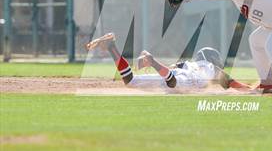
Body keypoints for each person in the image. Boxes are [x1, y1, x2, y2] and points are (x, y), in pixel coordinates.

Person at [86, 32, 251, 92]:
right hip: (187, 79)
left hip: (176, 74)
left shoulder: (188, 63)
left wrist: (146, 66)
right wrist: (253, 89)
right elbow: (235, 84)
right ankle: (153, 61)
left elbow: (172, 68)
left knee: (131, 81)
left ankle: (111, 47)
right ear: (213, 60)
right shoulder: (212, 68)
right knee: (175, 83)